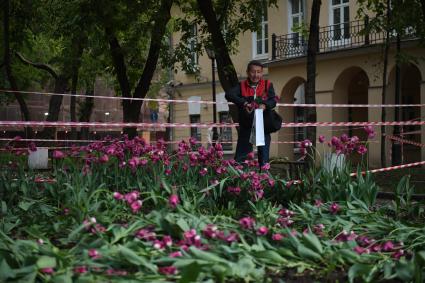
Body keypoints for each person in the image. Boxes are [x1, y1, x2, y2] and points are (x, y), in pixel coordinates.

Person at [225, 60, 276, 167]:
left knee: (264, 159)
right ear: (248, 72)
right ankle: (240, 180)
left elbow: (273, 100)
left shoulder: (268, 84)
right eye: (253, 72)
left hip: (263, 126)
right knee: (241, 158)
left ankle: (263, 180)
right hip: (247, 126)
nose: (256, 75)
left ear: (262, 73)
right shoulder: (241, 86)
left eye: (258, 72)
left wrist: (265, 105)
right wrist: (244, 103)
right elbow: (229, 94)